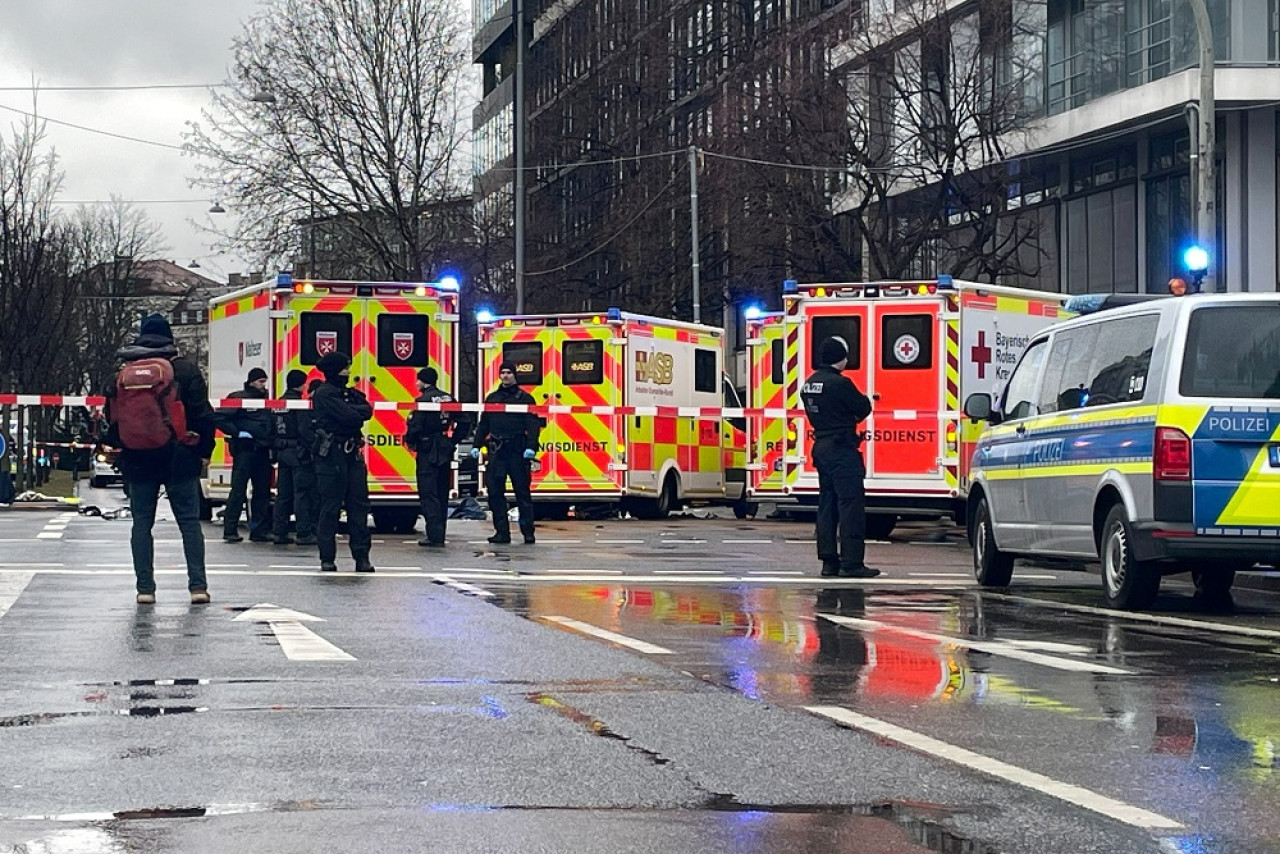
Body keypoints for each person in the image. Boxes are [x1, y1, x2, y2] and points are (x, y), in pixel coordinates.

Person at [105, 313, 216, 605]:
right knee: (189, 523)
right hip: (179, 456)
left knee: (142, 523)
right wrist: (204, 451)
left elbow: (111, 419)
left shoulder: (122, 375)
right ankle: (197, 587)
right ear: (170, 339)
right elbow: (203, 415)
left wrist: (125, 448)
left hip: (138, 458)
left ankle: (145, 589)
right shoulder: (186, 371)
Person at [800, 336, 880, 579]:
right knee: (850, 505)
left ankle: (828, 561)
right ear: (840, 358)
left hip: (821, 447)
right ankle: (852, 562)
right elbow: (863, 408)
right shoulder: (841, 384)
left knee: (827, 504)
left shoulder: (809, 384)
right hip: (842, 449)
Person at [312, 352, 374, 572]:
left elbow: (367, 411)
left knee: (359, 506)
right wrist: (354, 411)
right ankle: (327, 557)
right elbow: (349, 416)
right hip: (332, 456)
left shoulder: (347, 393)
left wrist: (354, 411)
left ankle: (362, 557)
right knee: (330, 507)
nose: (348, 372)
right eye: (345, 368)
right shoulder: (325, 393)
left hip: (352, 455)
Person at [472, 360, 541, 544]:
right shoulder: (492, 398)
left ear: (515, 375)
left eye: (509, 373)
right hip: (497, 451)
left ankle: (528, 532)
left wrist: (531, 447)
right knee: (494, 493)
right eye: (503, 373)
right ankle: (501, 532)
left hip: (517, 450)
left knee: (522, 494)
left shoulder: (525, 398)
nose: (505, 376)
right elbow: (484, 424)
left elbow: (533, 425)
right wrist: (476, 445)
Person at [405, 366, 462, 547]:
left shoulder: (423, 400)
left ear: (422, 381)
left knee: (429, 493)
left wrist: (410, 440)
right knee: (441, 492)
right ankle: (440, 532)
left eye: (418, 380)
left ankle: (434, 536)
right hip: (444, 446)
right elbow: (465, 421)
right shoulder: (448, 398)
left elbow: (416, 426)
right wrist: (453, 441)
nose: (416, 384)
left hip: (428, 447)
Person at [216, 367, 275, 542]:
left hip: (263, 451)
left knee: (262, 492)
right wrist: (236, 432)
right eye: (260, 381)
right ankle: (230, 529)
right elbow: (219, 418)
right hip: (245, 450)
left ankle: (259, 530)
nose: (263, 385)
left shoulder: (264, 400)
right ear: (251, 381)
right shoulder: (238, 397)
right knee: (238, 491)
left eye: (264, 382)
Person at [271, 369, 317, 546]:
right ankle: (304, 533)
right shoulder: (299, 404)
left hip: (282, 452)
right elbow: (304, 430)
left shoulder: (277, 403)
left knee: (283, 494)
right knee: (302, 494)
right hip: (298, 453)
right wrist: (313, 448)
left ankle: (279, 532)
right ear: (301, 384)